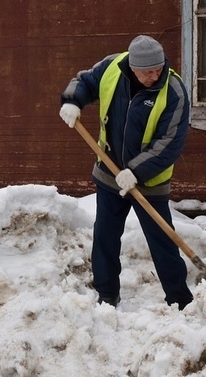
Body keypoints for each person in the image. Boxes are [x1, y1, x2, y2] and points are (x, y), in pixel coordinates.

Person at [59, 35, 193, 310]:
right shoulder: (112, 67)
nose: (154, 76)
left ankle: (179, 300)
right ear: (132, 67)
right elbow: (84, 81)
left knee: (163, 242)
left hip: (150, 183)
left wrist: (136, 171)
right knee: (105, 237)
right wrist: (73, 100)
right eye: (147, 72)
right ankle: (107, 295)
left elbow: (170, 142)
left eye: (158, 69)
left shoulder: (174, 90)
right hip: (109, 174)